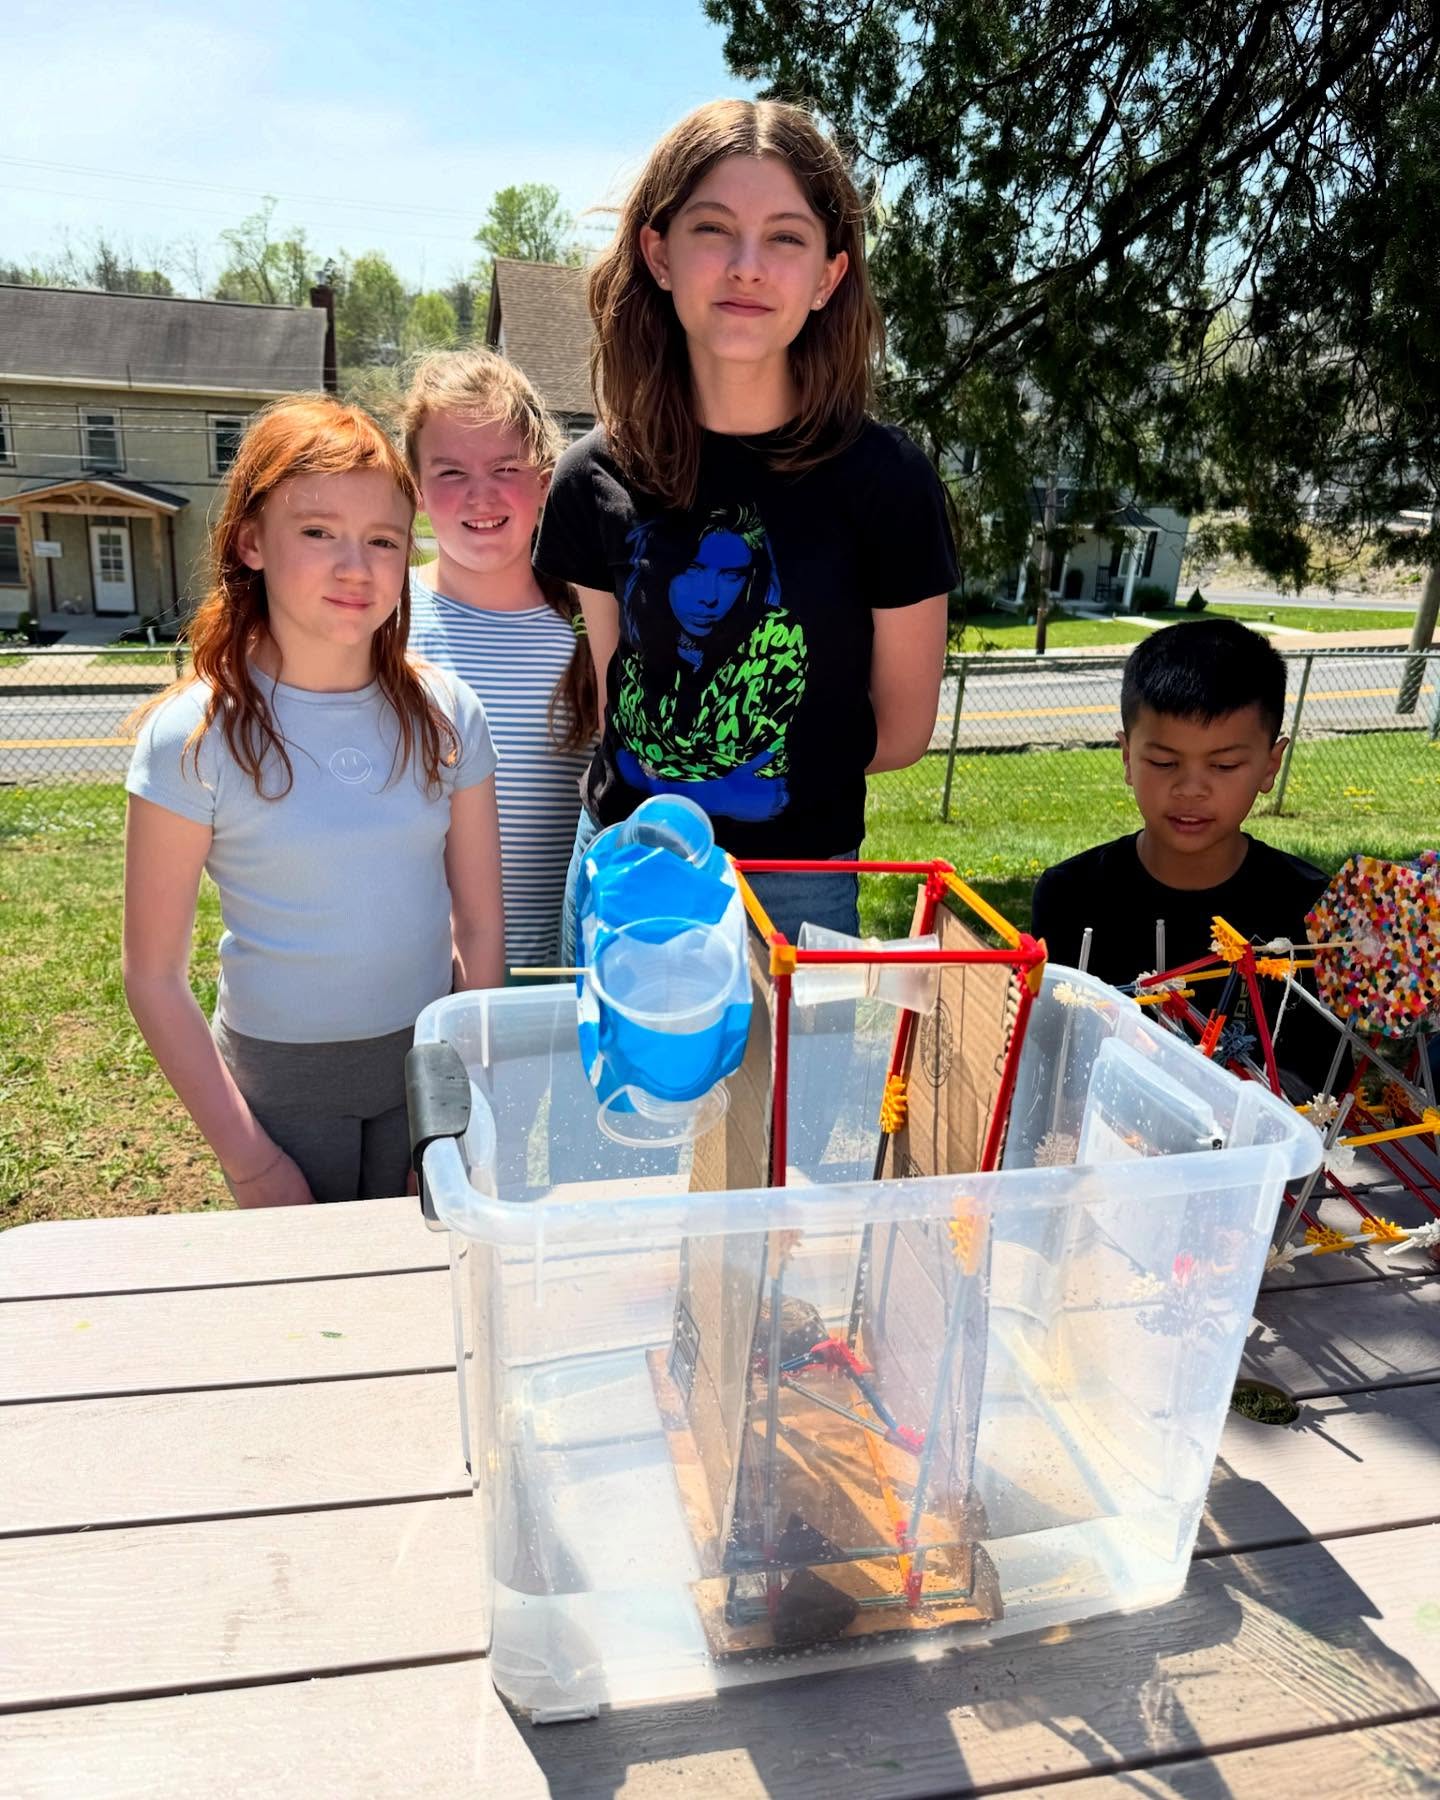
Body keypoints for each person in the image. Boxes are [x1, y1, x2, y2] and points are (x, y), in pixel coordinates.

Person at [535, 97, 957, 960]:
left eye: (787, 238)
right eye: (713, 229)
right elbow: (628, 699)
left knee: (785, 1105)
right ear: (658, 253)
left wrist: (745, 757)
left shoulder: (889, 482)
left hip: (795, 883)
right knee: (619, 1100)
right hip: (626, 863)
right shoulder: (590, 478)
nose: (747, 267)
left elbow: (903, 729)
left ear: (830, 276)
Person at [123, 395, 503, 1207]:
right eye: (318, 532)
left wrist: (456, 1104)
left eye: (382, 541)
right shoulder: (191, 735)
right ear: (251, 540)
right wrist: (249, 1157)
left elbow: (478, 928)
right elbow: (151, 976)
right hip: (280, 1080)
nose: (354, 567)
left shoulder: (450, 714)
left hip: (425, 1060)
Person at [1031, 617, 1335, 1093]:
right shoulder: (1070, 897)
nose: (1191, 788)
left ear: (1269, 765)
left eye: (1225, 765)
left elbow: (1320, 1082)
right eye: (1164, 762)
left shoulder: (1312, 911)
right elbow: (1049, 1070)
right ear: (1127, 757)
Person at [400, 350, 596, 970]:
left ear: (545, 478)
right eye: (450, 472)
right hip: (425, 980)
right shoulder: (384, 620)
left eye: (504, 466)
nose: (480, 494)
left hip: (565, 975)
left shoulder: (593, 623)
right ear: (417, 492)